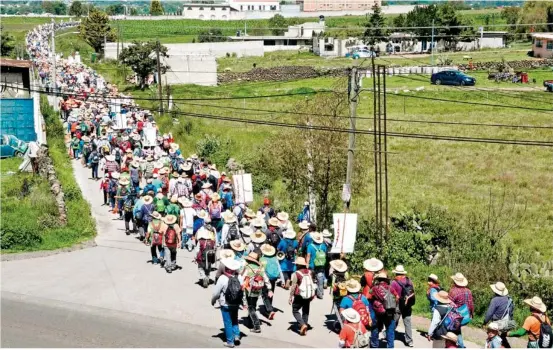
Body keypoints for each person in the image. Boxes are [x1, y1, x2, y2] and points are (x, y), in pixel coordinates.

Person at [211, 258, 244, 348]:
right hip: (236, 303)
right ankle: (236, 335)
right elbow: (242, 290)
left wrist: (213, 300)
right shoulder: (240, 277)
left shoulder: (222, 278)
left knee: (227, 322)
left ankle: (230, 341)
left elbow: (216, 292)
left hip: (225, 304)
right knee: (235, 319)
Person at [241, 252, 272, 333]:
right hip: (258, 289)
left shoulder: (247, 267)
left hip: (249, 290)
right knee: (253, 305)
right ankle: (250, 320)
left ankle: (256, 325)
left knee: (250, 307)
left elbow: (242, 278)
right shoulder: (260, 268)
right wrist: (269, 289)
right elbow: (266, 279)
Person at [289, 256, 316, 336]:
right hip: (308, 295)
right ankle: (305, 326)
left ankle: (302, 324)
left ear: (298, 265)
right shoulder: (310, 272)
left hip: (299, 294)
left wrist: (290, 296)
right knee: (306, 311)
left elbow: (293, 286)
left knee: (295, 310)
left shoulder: (296, 273)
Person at [371, 271, 399, 348]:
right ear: (386, 280)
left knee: (375, 328)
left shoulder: (374, 288)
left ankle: (374, 346)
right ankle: (390, 347)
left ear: (379, 279)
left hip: (378, 312)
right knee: (390, 329)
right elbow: (397, 297)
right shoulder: (391, 288)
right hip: (389, 311)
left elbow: (369, 297)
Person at [361, 258, 384, 349]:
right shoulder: (381, 275)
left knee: (369, 315)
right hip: (378, 298)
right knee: (378, 317)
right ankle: (377, 333)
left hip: (367, 296)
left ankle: (370, 336)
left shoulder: (366, 274)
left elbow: (362, 283)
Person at [390, 265, 415, 347]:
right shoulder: (409, 280)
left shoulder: (394, 282)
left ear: (396, 273)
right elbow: (412, 291)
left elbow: (391, 293)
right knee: (407, 322)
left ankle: (389, 334)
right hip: (408, 305)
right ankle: (409, 341)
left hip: (398, 305)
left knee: (394, 320)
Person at [485, 282, 514, 348]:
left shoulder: (495, 300)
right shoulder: (509, 299)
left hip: (496, 324)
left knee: (494, 339)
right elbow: (511, 313)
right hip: (506, 324)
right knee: (502, 339)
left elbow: (489, 313)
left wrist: (485, 322)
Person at [449, 273, 474, 348]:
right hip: (465, 316)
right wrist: (471, 315)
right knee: (457, 330)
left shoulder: (453, 291)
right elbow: (471, 304)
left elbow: (449, 304)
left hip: (456, 318)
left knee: (451, 331)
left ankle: (459, 346)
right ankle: (460, 345)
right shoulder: (468, 291)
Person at [259, 244, 283, 320]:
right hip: (273, 278)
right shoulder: (275, 258)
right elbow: (279, 269)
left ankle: (269, 310)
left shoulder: (262, 259)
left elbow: (260, 270)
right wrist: (283, 279)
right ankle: (269, 307)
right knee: (271, 292)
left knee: (264, 294)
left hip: (265, 278)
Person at [305, 232, 327, 299]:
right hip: (321, 265)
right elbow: (325, 255)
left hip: (312, 265)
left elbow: (308, 256)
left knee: (311, 279)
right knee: (320, 279)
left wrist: (307, 264)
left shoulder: (310, 246)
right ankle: (320, 294)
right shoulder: (323, 246)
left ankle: (311, 293)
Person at [329, 259, 350, 330]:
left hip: (336, 295)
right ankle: (345, 322)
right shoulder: (346, 274)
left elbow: (332, 285)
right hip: (345, 294)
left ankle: (341, 325)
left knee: (338, 309)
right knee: (344, 309)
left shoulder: (333, 275)